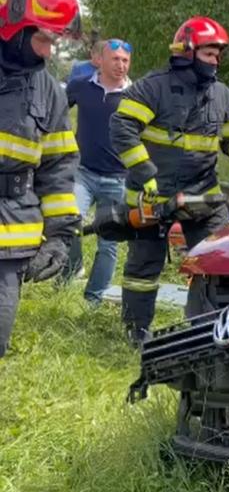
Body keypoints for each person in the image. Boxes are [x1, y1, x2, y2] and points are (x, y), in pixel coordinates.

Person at [110, 16, 229, 343]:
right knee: (143, 269)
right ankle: (135, 334)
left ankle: (210, 333)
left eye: (218, 55)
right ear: (187, 51)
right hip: (153, 197)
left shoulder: (223, 96)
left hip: (203, 198)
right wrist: (144, 172)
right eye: (209, 54)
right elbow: (122, 127)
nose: (216, 61)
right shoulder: (153, 87)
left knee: (216, 262)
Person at [0, 0, 82, 358]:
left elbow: (58, 168)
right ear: (16, 27)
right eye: (43, 39)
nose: (49, 52)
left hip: (10, 240)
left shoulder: (49, 90)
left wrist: (58, 237)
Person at [63, 38, 132, 304]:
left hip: (118, 179)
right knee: (70, 223)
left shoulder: (135, 96)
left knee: (108, 243)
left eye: (125, 60)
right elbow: (55, 112)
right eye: (115, 59)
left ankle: (94, 298)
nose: (120, 65)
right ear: (99, 60)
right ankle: (69, 274)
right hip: (83, 172)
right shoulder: (81, 86)